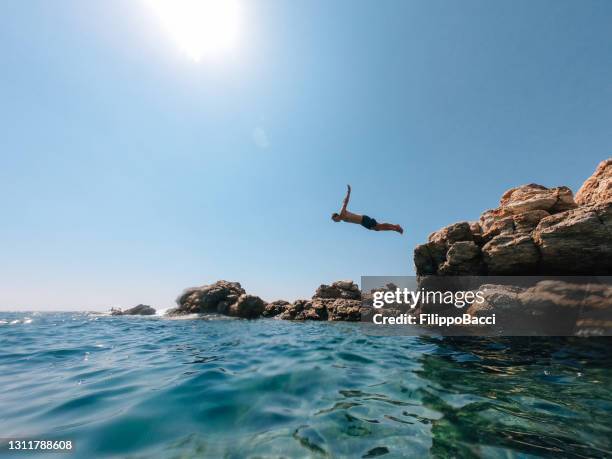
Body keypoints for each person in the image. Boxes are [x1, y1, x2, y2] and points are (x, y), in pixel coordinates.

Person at [331, 185, 404, 234]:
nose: (335, 221)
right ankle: (395, 228)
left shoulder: (342, 213)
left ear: (336, 216)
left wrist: (348, 192)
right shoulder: (343, 219)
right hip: (362, 223)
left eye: (334, 219)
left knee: (379, 226)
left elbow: (345, 202)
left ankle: (395, 227)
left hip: (363, 219)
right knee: (378, 229)